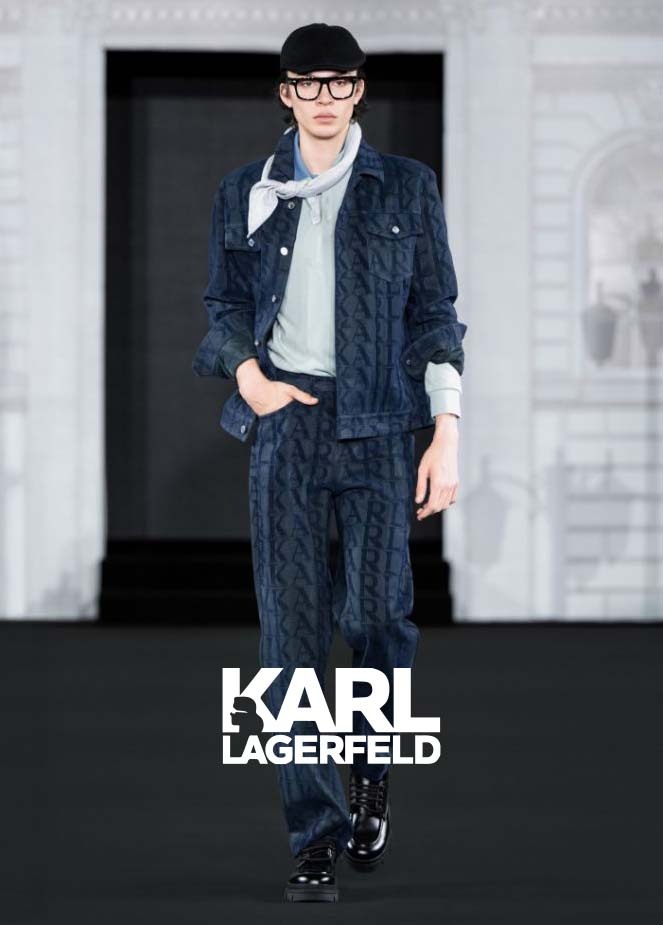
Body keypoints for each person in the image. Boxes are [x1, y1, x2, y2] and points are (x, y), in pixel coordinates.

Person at [192, 22, 467, 904]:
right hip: (288, 423)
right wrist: (250, 377)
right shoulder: (246, 192)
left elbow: (435, 312)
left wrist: (447, 430)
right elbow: (223, 305)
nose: (323, 97)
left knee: (379, 616)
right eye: (306, 83)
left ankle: (370, 767)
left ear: (358, 89)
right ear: (285, 93)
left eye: (338, 81)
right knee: (291, 636)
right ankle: (313, 835)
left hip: (381, 424)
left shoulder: (407, 186)